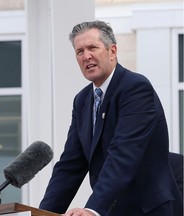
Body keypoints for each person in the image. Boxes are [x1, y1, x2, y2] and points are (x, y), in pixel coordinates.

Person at [39, 20, 183, 216]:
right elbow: (70, 164)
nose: (86, 56)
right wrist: (43, 213)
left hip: (147, 210)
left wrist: (92, 209)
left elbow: (123, 154)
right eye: (79, 51)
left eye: (92, 48)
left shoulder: (135, 88)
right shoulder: (82, 100)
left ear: (112, 51)